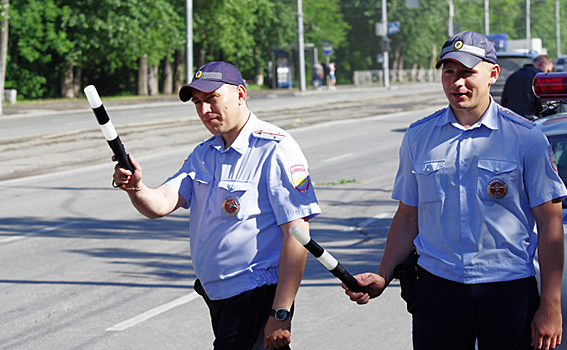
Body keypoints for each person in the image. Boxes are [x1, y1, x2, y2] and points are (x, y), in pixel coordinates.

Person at [343, 31, 566, 350]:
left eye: (466, 73)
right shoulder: (419, 136)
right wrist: (383, 274)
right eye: (449, 72)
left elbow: (550, 224)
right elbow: (408, 216)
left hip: (506, 289)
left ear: (492, 74)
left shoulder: (526, 138)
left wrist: (551, 306)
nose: (457, 83)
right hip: (439, 291)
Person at [112, 61, 321, 350]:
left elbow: (298, 234)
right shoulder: (205, 152)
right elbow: (160, 204)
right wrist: (135, 187)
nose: (204, 110)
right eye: (198, 102)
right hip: (218, 297)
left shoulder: (275, 149)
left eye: (212, 99)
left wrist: (281, 312)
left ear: (240, 94)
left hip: (256, 295)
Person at [501, 55, 555, 119]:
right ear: (541, 62)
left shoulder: (513, 76)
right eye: (548, 70)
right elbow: (543, 103)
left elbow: (504, 101)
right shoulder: (540, 77)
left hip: (513, 120)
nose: (547, 73)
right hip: (533, 120)